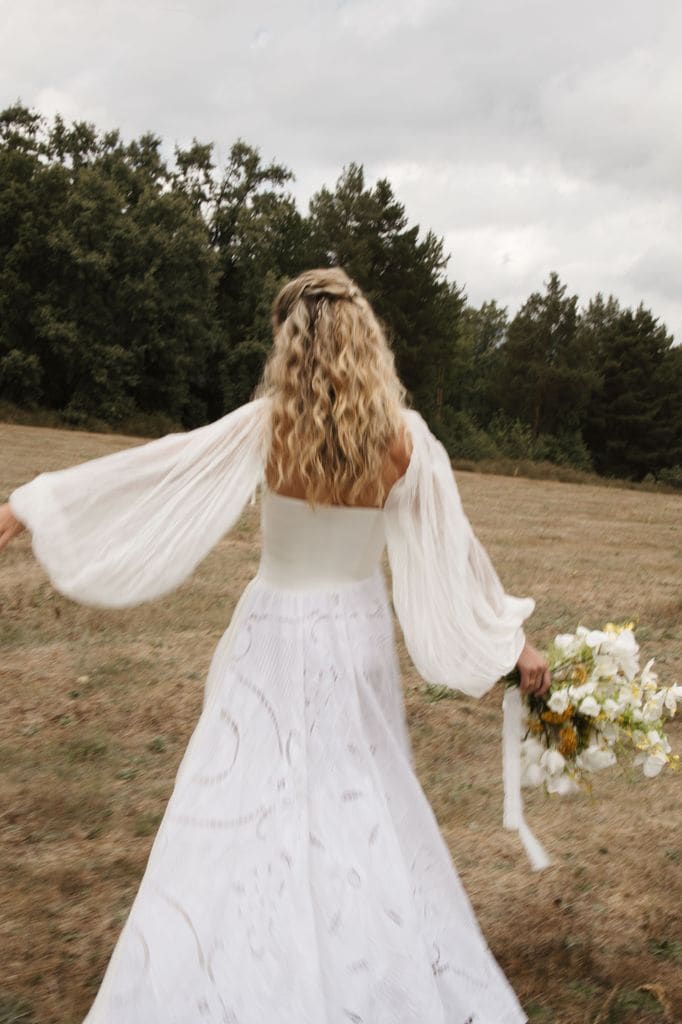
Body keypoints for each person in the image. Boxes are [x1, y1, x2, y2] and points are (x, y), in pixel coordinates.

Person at [1, 267, 551, 1024]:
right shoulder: (404, 440)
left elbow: (157, 465)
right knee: (359, 794)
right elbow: (454, 555)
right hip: (354, 638)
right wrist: (514, 645)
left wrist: (30, 506)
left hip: (273, 631)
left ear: (289, 345)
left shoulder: (268, 426)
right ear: (368, 343)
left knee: (244, 793)